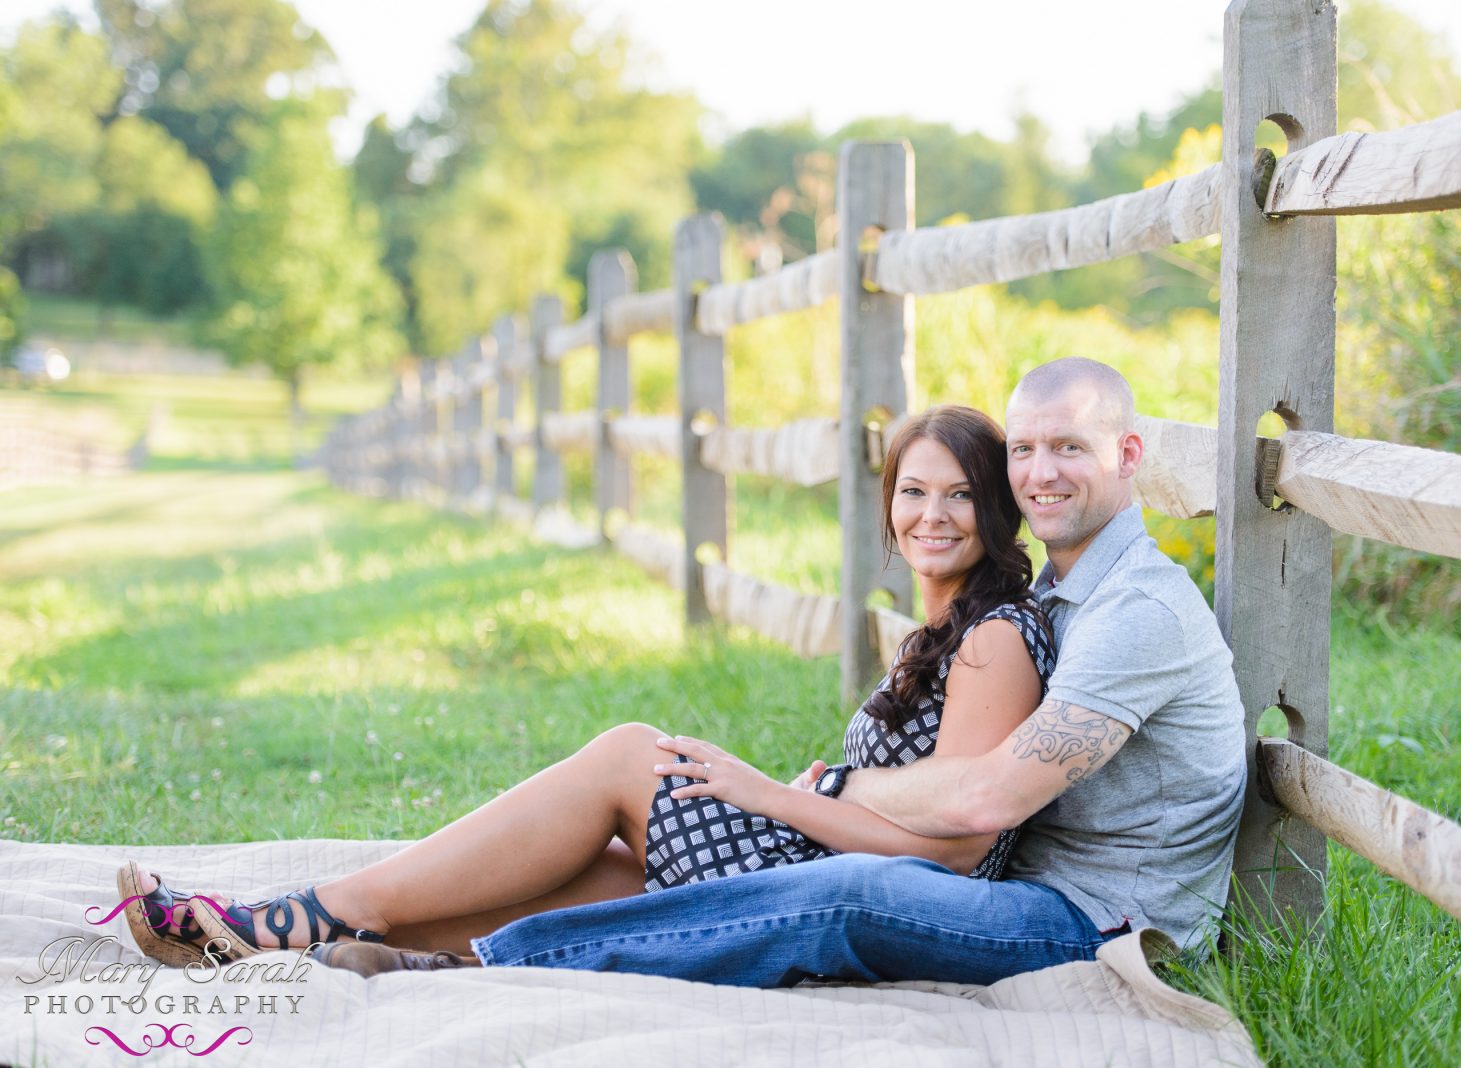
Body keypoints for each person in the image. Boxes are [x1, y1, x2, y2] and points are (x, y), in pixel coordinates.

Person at [317, 356, 1247, 986]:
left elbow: (977, 807)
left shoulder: (1139, 612)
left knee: (843, 892)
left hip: (1101, 924)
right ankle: (365, 932)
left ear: (1128, 456)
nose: (1041, 473)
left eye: (1071, 448)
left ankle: (480, 954)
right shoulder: (1062, 593)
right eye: (1026, 451)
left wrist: (823, 786)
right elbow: (964, 788)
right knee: (641, 833)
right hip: (1026, 887)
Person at [118, 405, 1057, 970]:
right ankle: (299, 943)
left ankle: (296, 916)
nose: (932, 515)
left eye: (961, 495)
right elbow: (911, 800)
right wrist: (817, 793)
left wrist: (777, 798)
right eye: (913, 492)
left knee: (627, 756)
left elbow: (958, 854)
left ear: (997, 511)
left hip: (848, 898)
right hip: (824, 858)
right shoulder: (943, 630)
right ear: (888, 508)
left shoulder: (995, 640)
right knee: (579, 874)